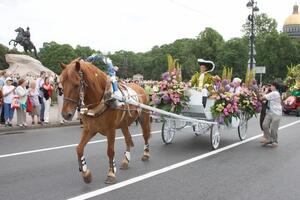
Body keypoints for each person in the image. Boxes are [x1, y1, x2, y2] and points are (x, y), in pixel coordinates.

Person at [261, 82, 282, 148]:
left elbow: (263, 97)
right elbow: (265, 100)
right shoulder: (272, 93)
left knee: (273, 128)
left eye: (271, 86)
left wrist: (265, 91)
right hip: (270, 112)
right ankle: (269, 139)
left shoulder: (275, 93)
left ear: (274, 87)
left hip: (276, 113)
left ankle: (275, 141)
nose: (270, 87)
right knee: (264, 125)